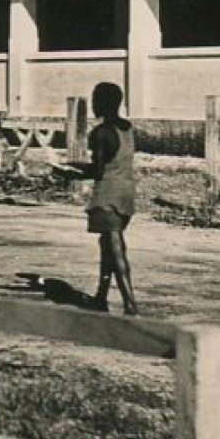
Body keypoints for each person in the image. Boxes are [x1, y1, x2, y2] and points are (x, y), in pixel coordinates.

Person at [77, 81, 140, 316]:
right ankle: (101, 296)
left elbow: (98, 170)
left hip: (108, 193)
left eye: (95, 99)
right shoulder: (127, 128)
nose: (93, 103)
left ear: (102, 102)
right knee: (107, 245)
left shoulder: (101, 132)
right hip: (126, 192)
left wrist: (70, 171)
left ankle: (130, 303)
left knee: (116, 248)